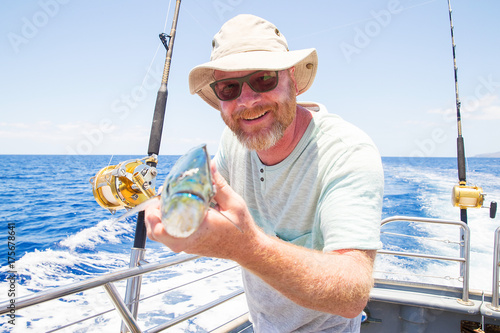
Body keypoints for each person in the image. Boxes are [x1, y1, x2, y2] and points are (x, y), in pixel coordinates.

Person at [144, 14, 384, 332]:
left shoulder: (347, 151)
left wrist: (246, 246)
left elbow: (351, 293)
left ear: (292, 81)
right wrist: (172, 210)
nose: (247, 101)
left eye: (263, 80)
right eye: (229, 87)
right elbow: (210, 197)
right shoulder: (233, 140)